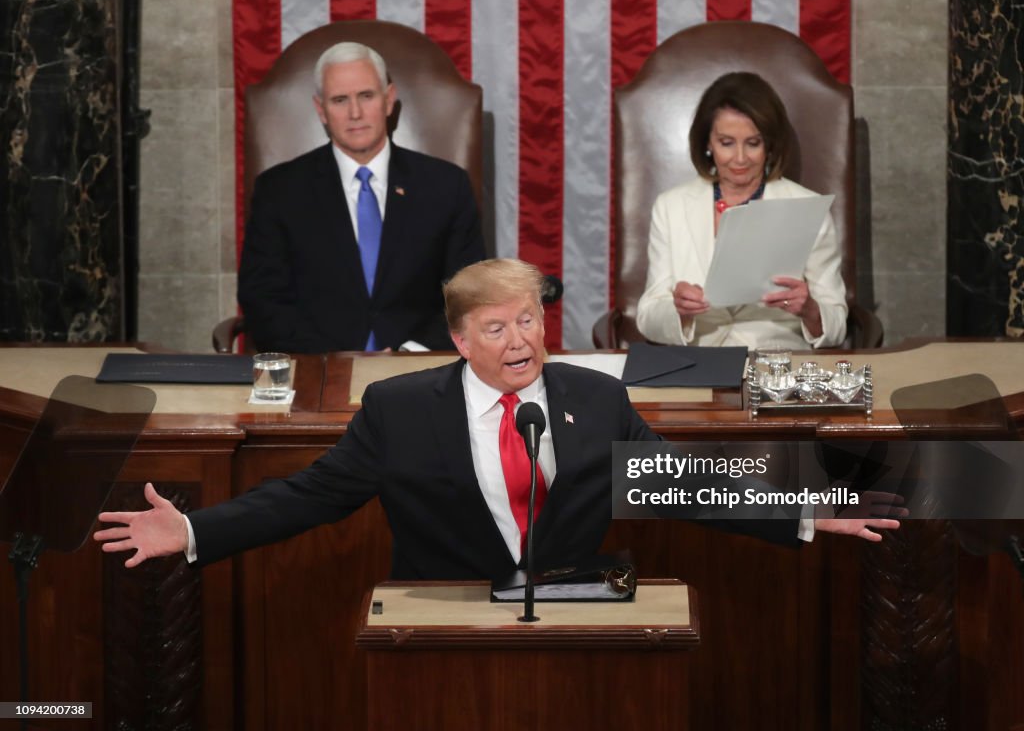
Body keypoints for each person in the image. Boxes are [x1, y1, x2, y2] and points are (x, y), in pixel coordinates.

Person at [95, 260, 897, 578]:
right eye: (496, 328)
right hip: (440, 629)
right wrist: (194, 532)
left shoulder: (592, 397)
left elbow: (680, 483)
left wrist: (799, 507)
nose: (521, 342)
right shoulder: (401, 409)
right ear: (457, 339)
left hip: (575, 625)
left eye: (528, 321)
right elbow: (309, 496)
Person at [238, 41, 485, 353]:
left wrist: (411, 353)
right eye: (340, 100)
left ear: (388, 100)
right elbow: (263, 299)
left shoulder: (446, 186)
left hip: (420, 371)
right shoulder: (279, 191)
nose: (355, 113)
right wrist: (332, 360)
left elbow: (470, 295)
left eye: (366, 96)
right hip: (316, 371)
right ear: (321, 110)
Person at [636, 72, 848, 350]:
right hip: (700, 365)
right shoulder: (671, 206)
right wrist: (680, 312)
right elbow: (648, 317)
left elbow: (837, 325)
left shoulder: (808, 207)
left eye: (753, 143)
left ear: (769, 145)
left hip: (776, 367)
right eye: (726, 143)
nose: (739, 158)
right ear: (708, 144)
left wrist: (809, 309)